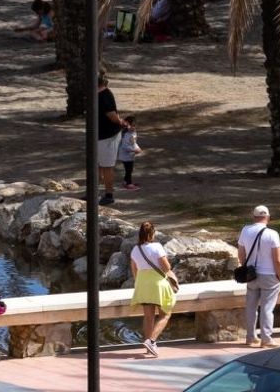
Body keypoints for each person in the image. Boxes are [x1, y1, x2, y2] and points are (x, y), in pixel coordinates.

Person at [236, 204, 280, 348]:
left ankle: (250, 337)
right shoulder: (272, 234)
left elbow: (241, 253)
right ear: (268, 217)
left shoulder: (245, 230)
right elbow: (277, 259)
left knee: (251, 306)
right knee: (267, 308)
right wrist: (279, 275)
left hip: (252, 275)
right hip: (269, 275)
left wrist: (246, 267)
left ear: (254, 217)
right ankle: (266, 339)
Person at [128, 220, 178, 356]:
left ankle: (149, 345)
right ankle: (151, 341)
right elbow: (166, 267)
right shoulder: (157, 247)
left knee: (148, 316)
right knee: (165, 314)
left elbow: (134, 270)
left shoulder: (135, 249)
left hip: (142, 284)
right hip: (157, 284)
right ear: (152, 234)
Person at [95, 72, 127, 205]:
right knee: (97, 165)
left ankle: (109, 195)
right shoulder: (98, 94)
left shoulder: (104, 95)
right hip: (99, 135)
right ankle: (94, 193)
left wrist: (121, 122)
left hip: (107, 136)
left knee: (106, 166)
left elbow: (112, 116)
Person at [119, 117, 142, 192]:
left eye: (134, 126)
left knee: (130, 169)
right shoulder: (126, 135)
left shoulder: (133, 133)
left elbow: (134, 143)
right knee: (128, 170)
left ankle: (126, 182)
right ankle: (129, 183)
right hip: (125, 156)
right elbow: (125, 146)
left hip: (130, 155)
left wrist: (138, 148)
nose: (133, 128)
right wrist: (134, 150)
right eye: (131, 126)